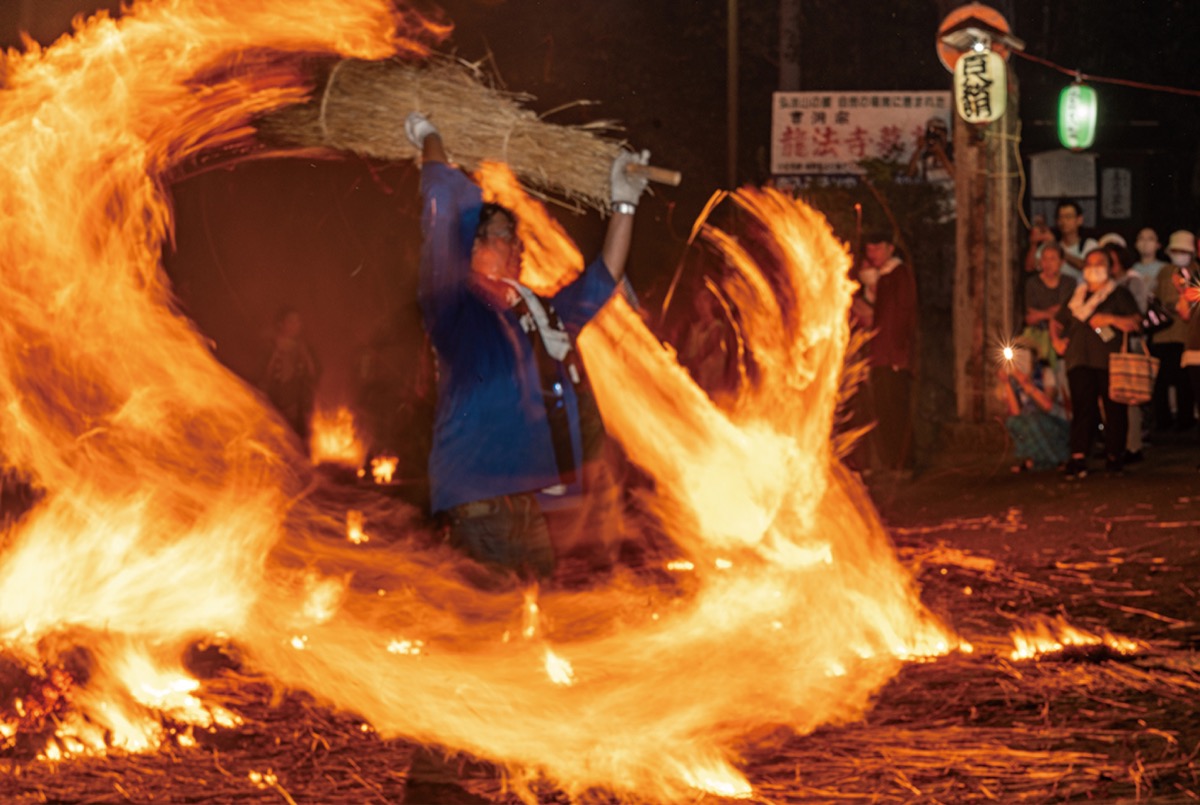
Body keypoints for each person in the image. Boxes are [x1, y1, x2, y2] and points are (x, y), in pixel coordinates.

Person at [404, 111, 648, 581]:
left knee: (534, 628)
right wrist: (431, 137)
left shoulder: (536, 316)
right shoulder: (453, 306)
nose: (518, 247)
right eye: (504, 237)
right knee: (496, 633)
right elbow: (439, 198)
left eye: (515, 238)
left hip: (526, 504)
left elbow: (603, 280)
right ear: (472, 248)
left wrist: (624, 204)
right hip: (477, 502)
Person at [1051, 248, 1142, 479]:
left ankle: (1114, 456)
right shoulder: (1076, 295)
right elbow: (1057, 320)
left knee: (1114, 408)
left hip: (1108, 359)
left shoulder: (1118, 294)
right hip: (1078, 359)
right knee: (1083, 407)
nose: (1093, 268)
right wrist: (1056, 341)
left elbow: (1136, 322)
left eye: (1099, 263)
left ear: (1110, 267)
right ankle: (1079, 457)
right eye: (1089, 263)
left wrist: (1110, 319)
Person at [860, 231, 917, 475]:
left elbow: (902, 316)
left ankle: (904, 463)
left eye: (877, 249)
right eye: (870, 250)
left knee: (897, 409)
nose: (873, 254)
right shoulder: (877, 278)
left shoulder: (899, 274)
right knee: (883, 408)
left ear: (890, 249)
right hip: (879, 355)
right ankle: (892, 462)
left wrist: (899, 354)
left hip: (894, 355)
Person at [998, 347, 1069, 473]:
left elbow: (1048, 406)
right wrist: (1007, 383)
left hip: (1056, 422)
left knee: (1034, 419)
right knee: (1014, 422)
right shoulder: (1013, 380)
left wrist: (1027, 385)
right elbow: (1016, 413)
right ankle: (1035, 458)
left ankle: (1057, 459)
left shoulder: (1045, 373)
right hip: (1033, 422)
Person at [258, 306, 320, 449]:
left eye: (298, 322)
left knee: (297, 443)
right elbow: (263, 376)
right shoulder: (269, 347)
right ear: (281, 324)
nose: (296, 326)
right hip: (273, 405)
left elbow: (312, 374)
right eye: (291, 321)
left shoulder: (302, 348)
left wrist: (305, 358)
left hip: (296, 407)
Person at [1021, 242, 1075, 394]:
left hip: (1062, 337)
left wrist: (1041, 313)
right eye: (1044, 259)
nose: (1048, 263)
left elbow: (1065, 312)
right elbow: (1030, 316)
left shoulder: (1069, 283)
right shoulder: (1032, 283)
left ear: (1062, 262)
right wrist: (1052, 312)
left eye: (1052, 259)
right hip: (1037, 339)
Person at [1025, 200, 1098, 282]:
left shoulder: (1090, 244)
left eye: (1068, 217)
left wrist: (1057, 247)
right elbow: (1030, 267)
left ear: (1079, 220)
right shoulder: (1050, 245)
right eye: (1060, 217)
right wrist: (1033, 244)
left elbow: (1087, 266)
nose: (1064, 221)